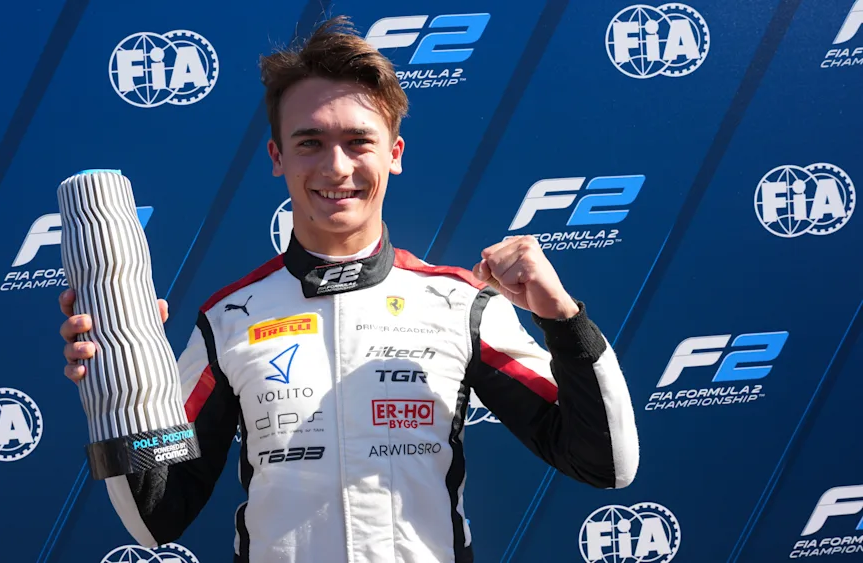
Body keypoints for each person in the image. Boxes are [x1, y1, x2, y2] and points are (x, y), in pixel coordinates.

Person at [59, 15, 639, 563]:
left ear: (394, 154)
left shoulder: (460, 305)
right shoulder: (230, 317)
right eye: (309, 142)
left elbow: (605, 462)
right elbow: (156, 516)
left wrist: (564, 320)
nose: (336, 167)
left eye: (359, 141)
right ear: (277, 157)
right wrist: (122, 385)